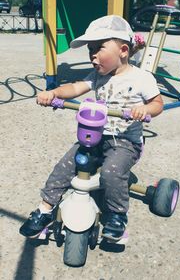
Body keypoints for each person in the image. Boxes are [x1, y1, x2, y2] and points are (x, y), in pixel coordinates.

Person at [19, 15, 163, 241]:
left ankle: (117, 215)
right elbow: (76, 87)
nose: (93, 55)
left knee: (111, 171)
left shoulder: (142, 78)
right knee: (66, 164)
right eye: (90, 50)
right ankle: (45, 209)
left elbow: (157, 104)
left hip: (124, 141)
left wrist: (144, 110)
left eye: (99, 48)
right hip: (94, 136)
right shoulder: (97, 76)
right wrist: (54, 93)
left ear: (123, 50)